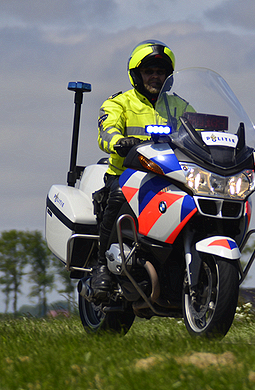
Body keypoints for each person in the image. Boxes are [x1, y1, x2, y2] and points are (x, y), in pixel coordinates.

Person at [92, 40, 176, 299]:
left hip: (170, 180)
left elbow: (202, 131)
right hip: (126, 177)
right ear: (137, 75)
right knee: (119, 194)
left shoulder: (179, 107)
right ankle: (100, 266)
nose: (155, 76)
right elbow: (105, 131)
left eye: (160, 72)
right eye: (149, 71)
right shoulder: (119, 103)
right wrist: (118, 142)